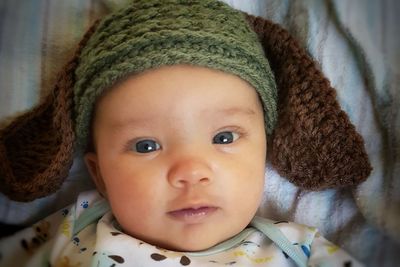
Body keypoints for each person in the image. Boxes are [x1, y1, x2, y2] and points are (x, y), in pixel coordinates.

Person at [0, 0, 370, 266]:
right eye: (146, 145)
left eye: (224, 138)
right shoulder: (71, 231)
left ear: (267, 149)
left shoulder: (299, 251)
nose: (191, 170)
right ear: (99, 174)